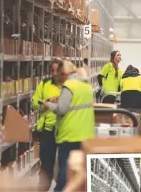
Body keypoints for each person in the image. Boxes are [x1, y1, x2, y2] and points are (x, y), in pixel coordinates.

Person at [43, 61, 95, 192]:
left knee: (65, 169)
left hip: (70, 134)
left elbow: (61, 109)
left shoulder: (69, 86)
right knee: (79, 169)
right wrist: (60, 98)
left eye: (60, 74)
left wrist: (48, 105)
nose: (59, 78)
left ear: (65, 74)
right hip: (86, 134)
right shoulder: (86, 85)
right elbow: (76, 104)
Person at [31, 58, 63, 191]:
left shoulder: (69, 85)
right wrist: (46, 102)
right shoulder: (44, 84)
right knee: (46, 167)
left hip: (64, 132)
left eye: (58, 71)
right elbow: (34, 103)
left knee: (64, 166)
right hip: (47, 131)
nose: (54, 73)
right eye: (52, 70)